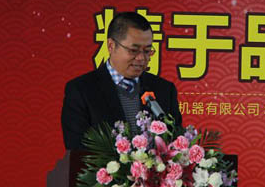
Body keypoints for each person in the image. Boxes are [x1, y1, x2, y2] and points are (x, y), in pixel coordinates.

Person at [61, 11, 183, 150]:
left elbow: (176, 145)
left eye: (147, 51)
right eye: (133, 50)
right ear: (111, 46)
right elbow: (77, 151)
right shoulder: (81, 91)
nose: (141, 58)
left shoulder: (164, 90)